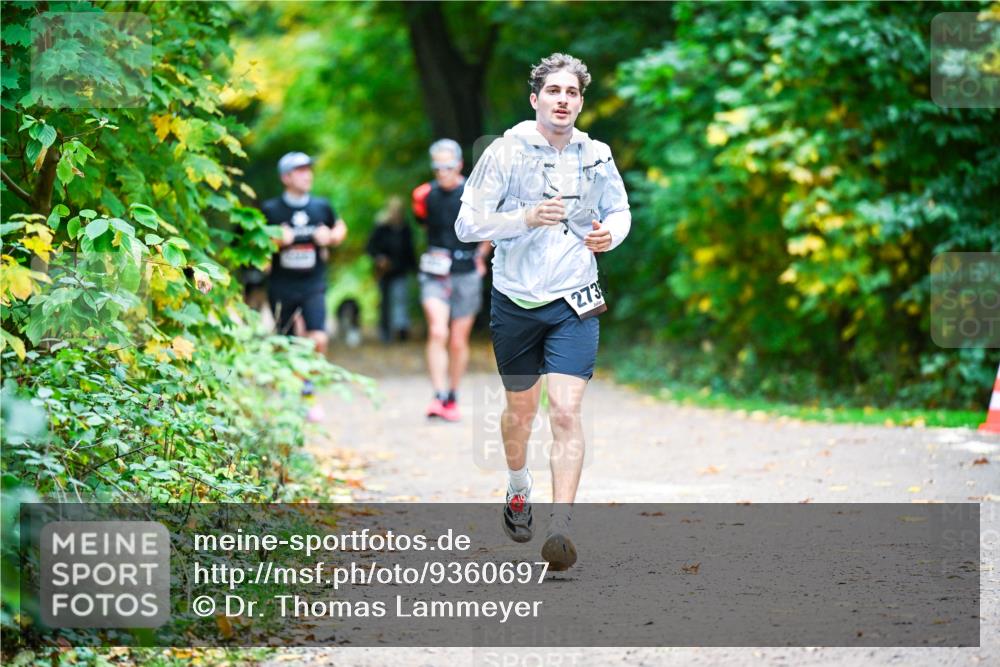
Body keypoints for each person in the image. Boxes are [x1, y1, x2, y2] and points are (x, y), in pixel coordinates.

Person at [455, 53, 631, 570]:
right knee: (521, 413)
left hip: (574, 297)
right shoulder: (505, 153)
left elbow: (620, 210)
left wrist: (610, 235)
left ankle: (561, 527)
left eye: (572, 92)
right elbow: (467, 225)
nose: (563, 99)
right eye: (554, 90)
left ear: (581, 102)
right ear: (535, 99)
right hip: (515, 298)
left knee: (566, 411)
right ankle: (517, 486)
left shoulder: (596, 154)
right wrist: (526, 217)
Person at [261, 151, 347, 420]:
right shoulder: (271, 210)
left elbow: (340, 228)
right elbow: (255, 245)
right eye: (300, 171)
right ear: (285, 177)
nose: (307, 175)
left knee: (318, 337)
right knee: (284, 342)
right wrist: (276, 240)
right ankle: (287, 393)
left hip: (313, 283)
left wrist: (330, 237)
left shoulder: (321, 206)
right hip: (281, 285)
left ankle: (309, 390)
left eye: (309, 169)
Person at [412, 139, 492, 422]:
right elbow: (424, 224)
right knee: (437, 332)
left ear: (459, 165)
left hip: (466, 270)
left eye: (447, 166)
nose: (442, 172)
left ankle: (453, 395)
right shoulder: (423, 195)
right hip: (434, 271)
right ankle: (438, 394)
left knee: (458, 340)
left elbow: (490, 228)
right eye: (437, 167)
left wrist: (481, 256)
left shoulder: (475, 192)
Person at [367, 196, 416, 343]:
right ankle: (385, 332)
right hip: (384, 272)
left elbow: (409, 250)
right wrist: (379, 258)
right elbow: (370, 247)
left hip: (400, 270)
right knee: (385, 302)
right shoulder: (381, 228)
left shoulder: (405, 228)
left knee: (401, 299)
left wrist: (414, 268)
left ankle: (401, 330)